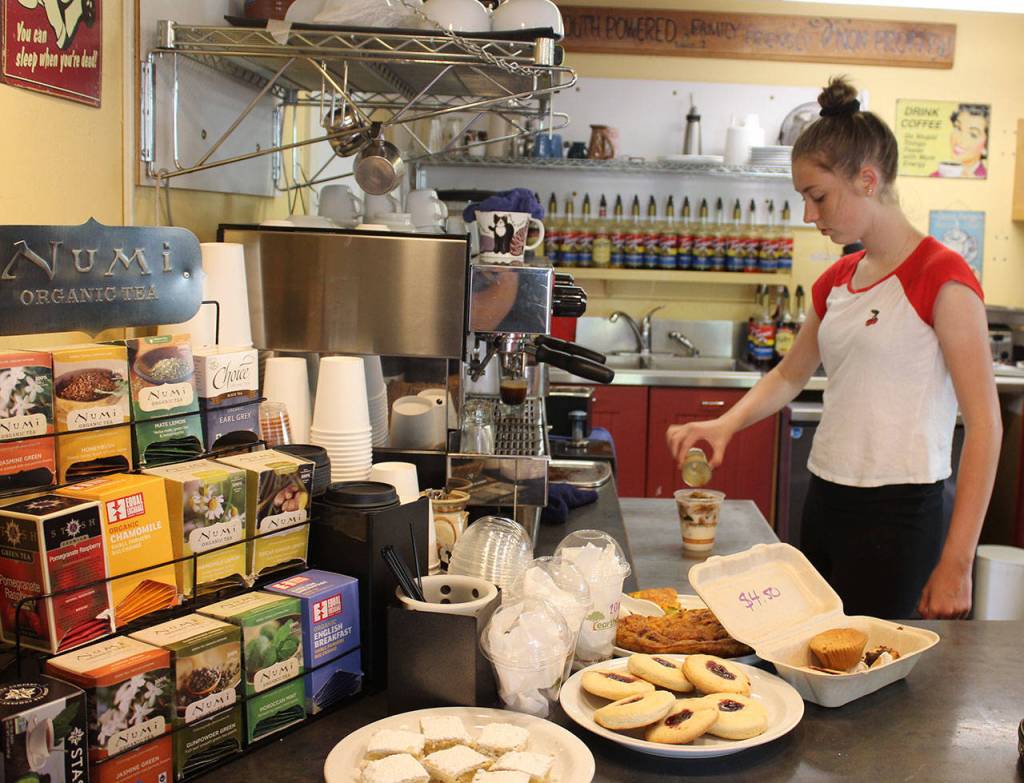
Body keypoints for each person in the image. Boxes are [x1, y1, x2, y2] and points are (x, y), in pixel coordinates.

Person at [666, 76, 1001, 621]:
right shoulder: (838, 280)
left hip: (900, 513)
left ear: (867, 179)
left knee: (878, 664)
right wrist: (725, 424)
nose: (808, 214)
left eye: (817, 196)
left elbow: (986, 426)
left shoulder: (943, 278)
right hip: (826, 498)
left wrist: (958, 561)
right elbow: (789, 375)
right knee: (813, 648)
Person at [931, 103, 989, 178]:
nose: (959, 139)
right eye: (958, 127)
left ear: (986, 145)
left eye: (973, 134)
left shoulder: (987, 180)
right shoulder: (934, 176)